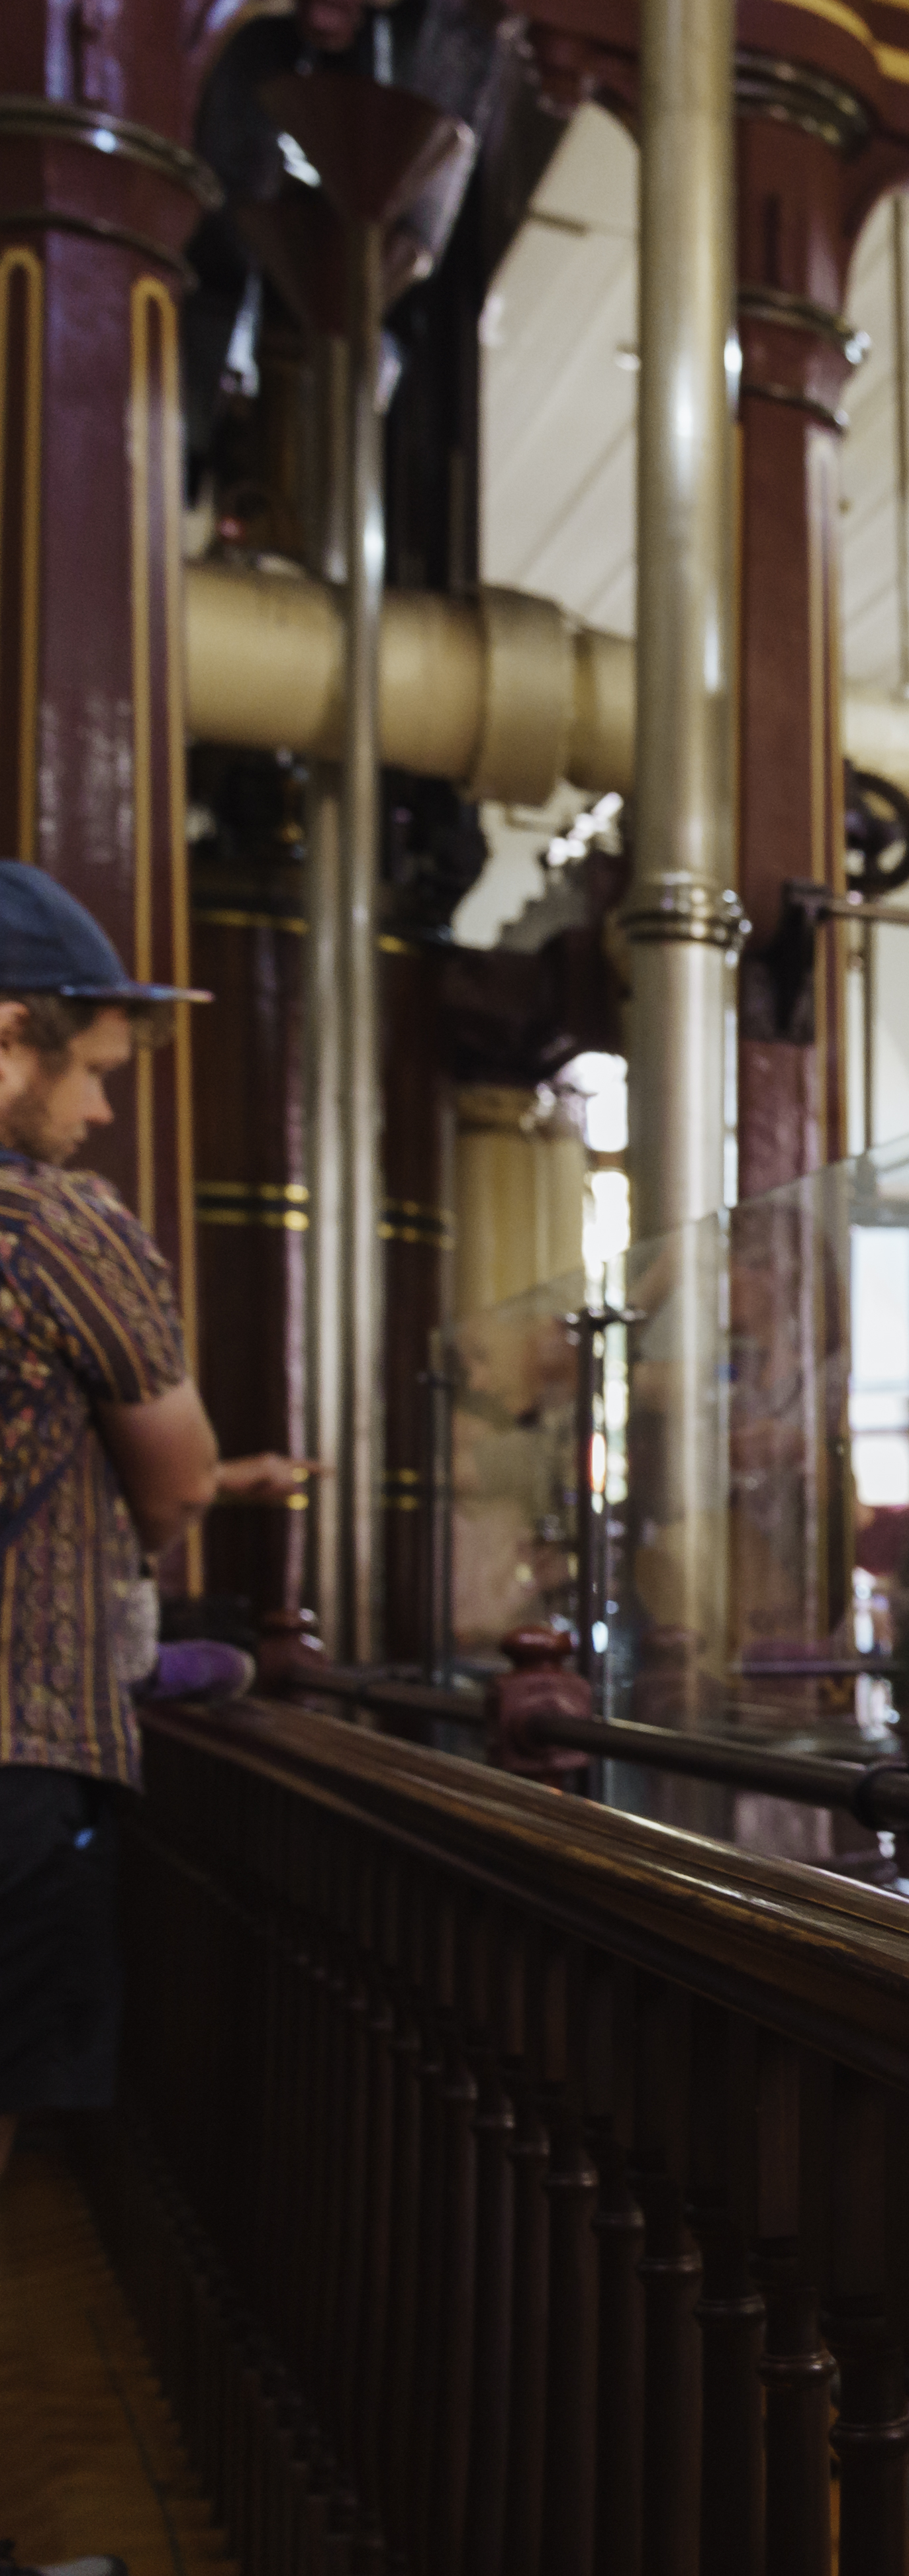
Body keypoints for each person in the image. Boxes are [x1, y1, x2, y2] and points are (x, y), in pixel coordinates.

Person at [0, 865, 300, 2181]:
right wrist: (195, 1499)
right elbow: (171, 1482)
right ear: (11, 1029)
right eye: (88, 1070)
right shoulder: (60, 1223)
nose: (103, 1107)